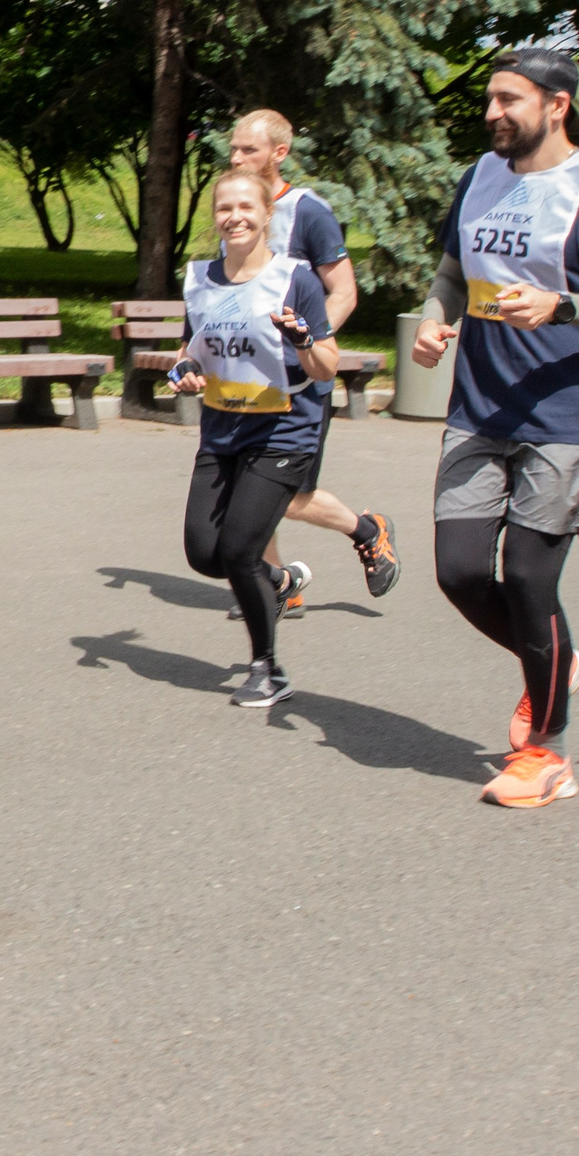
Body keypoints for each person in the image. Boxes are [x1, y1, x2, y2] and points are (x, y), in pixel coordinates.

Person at [410, 48, 579, 808]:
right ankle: (557, 665)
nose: (493, 112)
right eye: (491, 99)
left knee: (532, 581)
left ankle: (548, 751)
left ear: (556, 105)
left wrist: (566, 305)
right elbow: (451, 271)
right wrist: (436, 323)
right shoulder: (480, 176)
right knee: (461, 572)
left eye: (510, 100)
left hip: (567, 415)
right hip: (480, 408)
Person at [167, 167, 344, 708]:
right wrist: (182, 373)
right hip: (221, 429)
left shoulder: (296, 279)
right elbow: (187, 352)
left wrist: (305, 338)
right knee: (204, 554)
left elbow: (326, 366)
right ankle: (278, 579)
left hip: (283, 430)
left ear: (268, 214)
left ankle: (268, 668)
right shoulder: (199, 279)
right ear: (215, 217)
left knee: (240, 551)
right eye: (225, 208)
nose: (235, 217)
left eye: (247, 207)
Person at [223, 111, 400, 619]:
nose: (237, 159)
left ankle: (368, 531)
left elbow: (343, 291)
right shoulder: (238, 210)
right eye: (234, 150)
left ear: (279, 153)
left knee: (285, 495)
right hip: (246, 378)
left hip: (299, 382)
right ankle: (280, 587)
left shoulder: (308, 212)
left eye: (248, 151)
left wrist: (308, 344)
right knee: (243, 482)